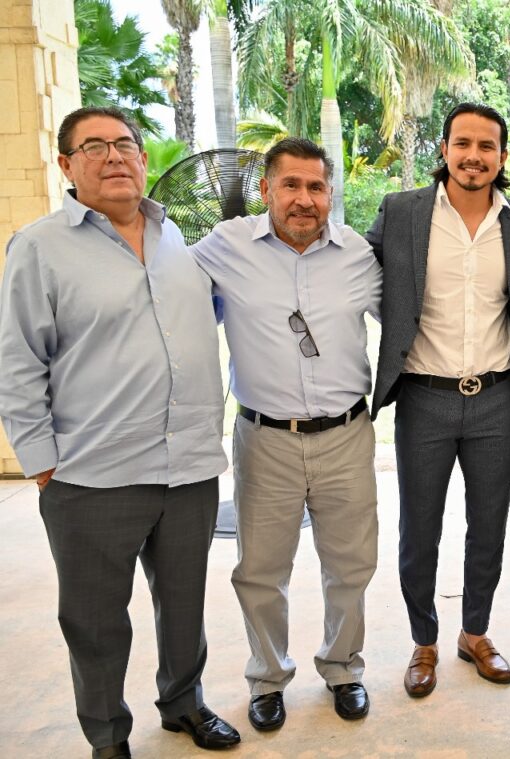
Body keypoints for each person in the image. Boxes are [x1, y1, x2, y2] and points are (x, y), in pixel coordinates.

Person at [0, 106, 239, 759]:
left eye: (124, 144)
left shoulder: (176, 237)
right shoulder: (39, 247)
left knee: (183, 605)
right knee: (96, 620)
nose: (113, 156)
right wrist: (43, 462)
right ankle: (107, 735)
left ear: (140, 156)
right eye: (94, 146)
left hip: (188, 467)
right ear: (67, 164)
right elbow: (17, 362)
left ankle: (183, 703)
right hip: (91, 473)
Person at [190, 138, 381, 728]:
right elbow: (164, 294)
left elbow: (412, 313)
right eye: (291, 185)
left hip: (346, 434)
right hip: (265, 438)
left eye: (315, 187)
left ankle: (343, 668)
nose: (304, 199)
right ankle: (268, 677)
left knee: (351, 563)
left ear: (330, 193)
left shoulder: (358, 255)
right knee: (261, 569)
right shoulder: (224, 247)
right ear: (266, 189)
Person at [367, 103, 510, 697]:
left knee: (488, 525)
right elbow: (358, 274)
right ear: (444, 150)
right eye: (463, 143)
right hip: (424, 397)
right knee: (420, 529)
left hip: (495, 398)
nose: (473, 156)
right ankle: (424, 641)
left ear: (502, 157)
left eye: (487, 146)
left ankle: (475, 633)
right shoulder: (402, 211)